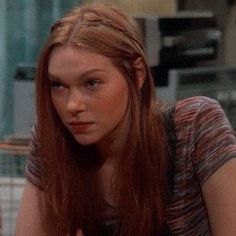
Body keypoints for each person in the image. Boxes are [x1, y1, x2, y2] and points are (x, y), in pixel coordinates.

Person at [15, 2, 236, 236]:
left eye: (91, 83)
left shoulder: (194, 129)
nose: (72, 105)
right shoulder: (52, 137)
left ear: (137, 73)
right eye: (58, 85)